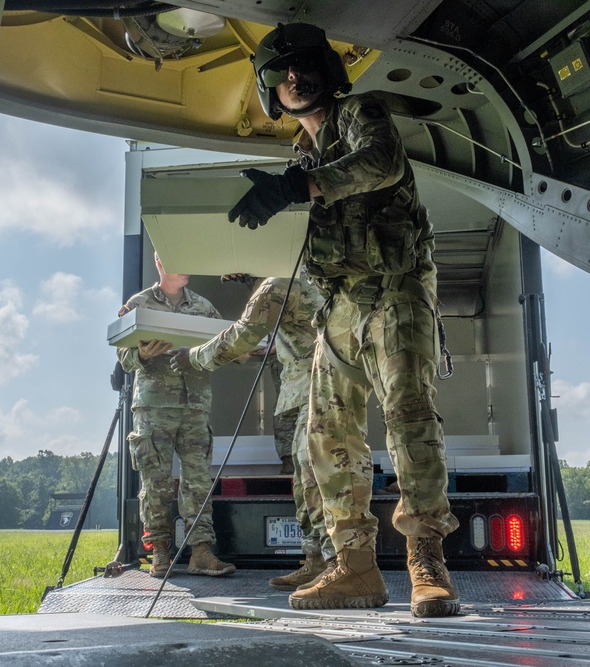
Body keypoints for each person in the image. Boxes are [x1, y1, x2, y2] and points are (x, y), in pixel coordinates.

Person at [226, 22, 460, 617]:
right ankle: (354, 568)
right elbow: (305, 232)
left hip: (397, 289)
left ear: (327, 72)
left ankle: (426, 563)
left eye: (304, 66)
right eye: (281, 74)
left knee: (409, 417)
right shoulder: (299, 156)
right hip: (341, 302)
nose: (294, 78)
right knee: (325, 436)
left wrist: (299, 186)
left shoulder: (360, 113)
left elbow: (380, 162)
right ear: (268, 91)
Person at [170, 271, 335, 591]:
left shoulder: (281, 283)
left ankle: (333, 565)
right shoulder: (298, 281)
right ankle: (316, 561)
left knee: (318, 480)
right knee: (306, 481)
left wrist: (194, 357)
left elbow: (244, 333)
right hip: (304, 391)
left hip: (321, 390)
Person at [116, 253, 235, 579]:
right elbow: (124, 357)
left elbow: (222, 345)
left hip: (195, 407)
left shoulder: (203, 306)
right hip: (154, 408)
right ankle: (160, 552)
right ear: (159, 263)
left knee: (198, 482)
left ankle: (201, 552)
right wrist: (140, 353)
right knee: (156, 484)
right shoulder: (139, 304)